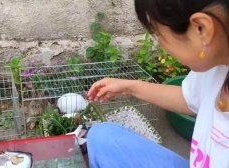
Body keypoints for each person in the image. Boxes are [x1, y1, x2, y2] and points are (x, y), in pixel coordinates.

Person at [86, 0, 229, 167]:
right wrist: (129, 87)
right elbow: (189, 98)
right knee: (103, 136)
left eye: (158, 34)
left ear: (201, 28)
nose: (161, 45)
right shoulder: (217, 66)